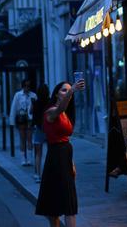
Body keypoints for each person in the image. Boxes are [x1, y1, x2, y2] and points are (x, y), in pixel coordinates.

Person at [35, 79, 84, 227]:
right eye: (64, 90)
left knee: (69, 201)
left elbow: (65, 140)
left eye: (68, 90)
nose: (67, 92)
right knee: (54, 203)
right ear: (56, 94)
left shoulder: (65, 114)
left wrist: (72, 163)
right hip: (55, 157)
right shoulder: (51, 111)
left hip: (65, 154)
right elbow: (60, 109)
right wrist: (72, 90)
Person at [10, 79, 37, 166]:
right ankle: (23, 159)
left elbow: (36, 110)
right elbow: (14, 108)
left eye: (28, 86)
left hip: (30, 120)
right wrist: (12, 121)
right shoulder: (18, 95)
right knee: (22, 139)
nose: (27, 88)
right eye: (25, 86)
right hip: (21, 119)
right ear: (22, 86)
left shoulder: (33, 95)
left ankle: (29, 159)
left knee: (29, 138)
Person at [32, 84, 49, 183]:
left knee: (38, 153)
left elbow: (31, 112)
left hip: (39, 129)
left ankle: (38, 175)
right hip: (49, 128)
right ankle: (49, 174)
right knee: (49, 152)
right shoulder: (50, 101)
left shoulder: (36, 103)